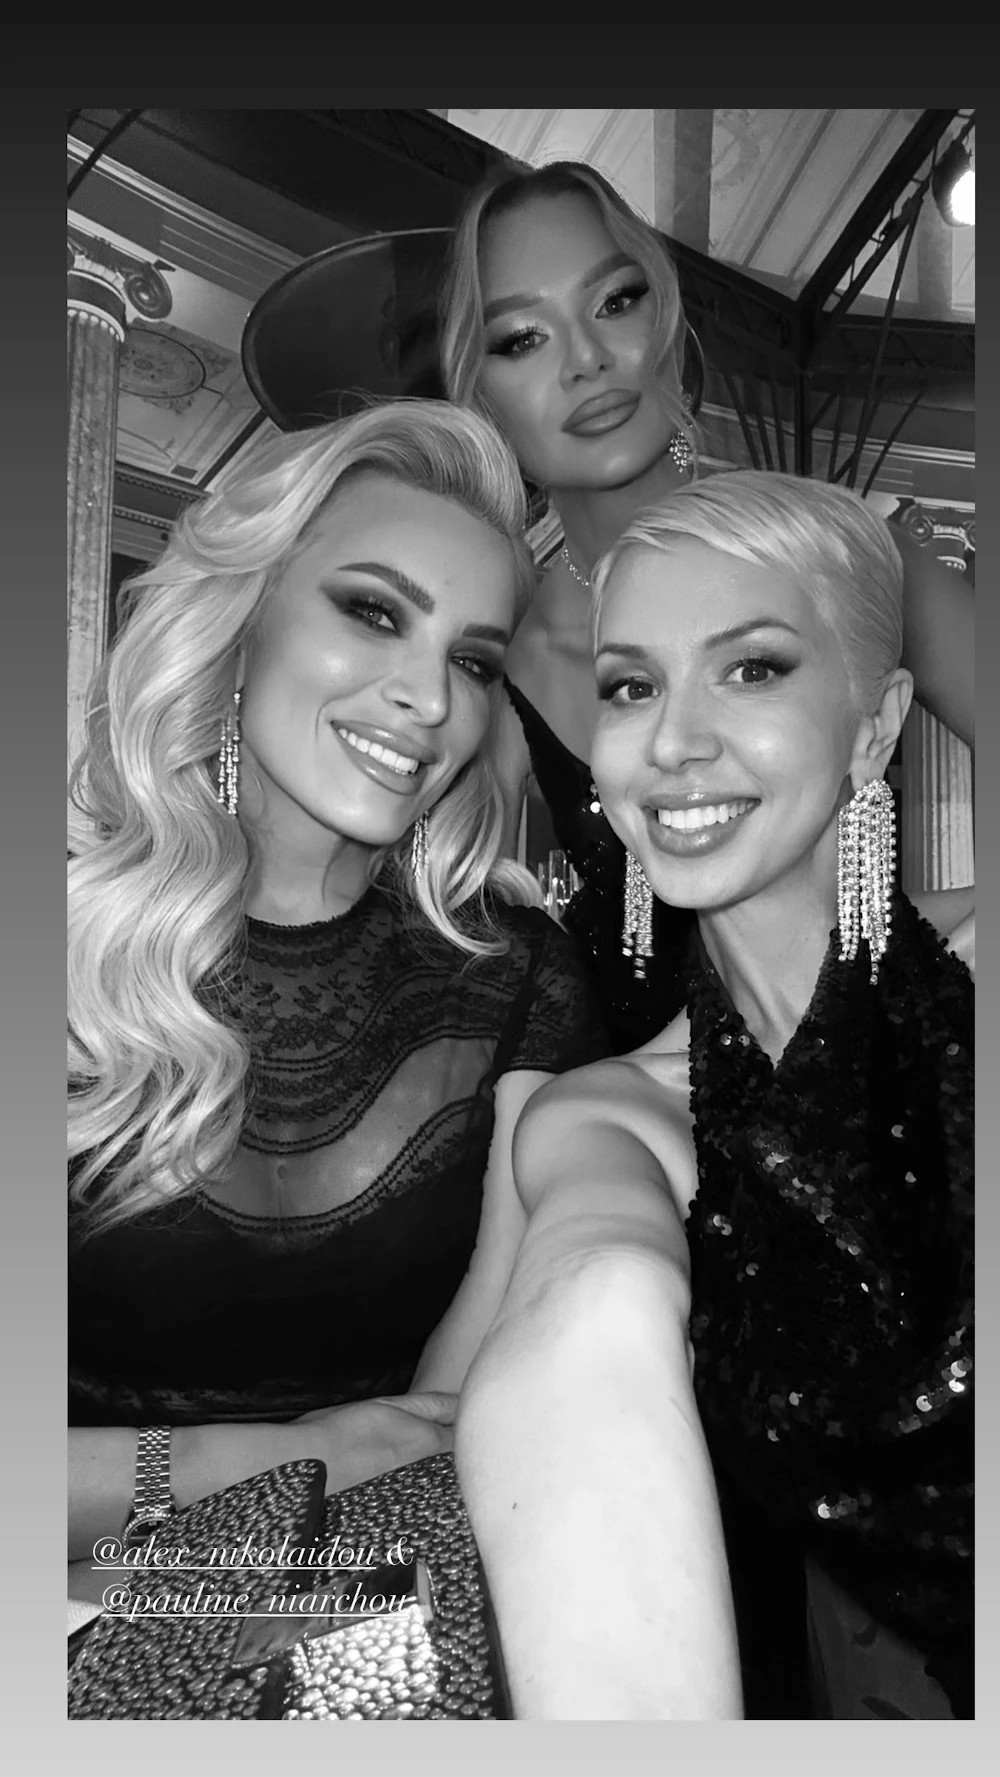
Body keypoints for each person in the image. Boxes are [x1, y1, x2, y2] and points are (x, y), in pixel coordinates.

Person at [451, 471, 972, 1718]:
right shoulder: (605, 1117)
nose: (672, 741)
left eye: (750, 669)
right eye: (631, 686)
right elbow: (588, 1316)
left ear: (874, 726)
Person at [67, 400, 605, 1588]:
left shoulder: (517, 976)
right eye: (373, 611)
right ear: (245, 615)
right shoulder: (66, 949)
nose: (430, 698)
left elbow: (457, 1422)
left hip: (366, 1608)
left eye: (471, 660)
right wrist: (268, 1461)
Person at [438, 158, 975, 1055]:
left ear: (667, 318)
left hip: (883, 1072)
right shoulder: (503, 651)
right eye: (522, 338)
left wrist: (924, 946)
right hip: (634, 1109)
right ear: (480, 391)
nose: (586, 359)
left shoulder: (854, 552)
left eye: (615, 301)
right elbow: (443, 928)